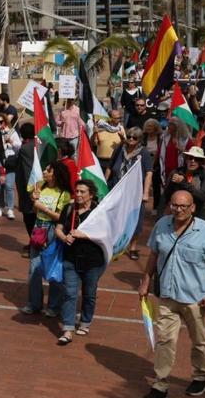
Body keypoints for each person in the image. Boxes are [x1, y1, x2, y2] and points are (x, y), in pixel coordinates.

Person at [138, 191, 205, 398]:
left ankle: (200, 376)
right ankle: (160, 384)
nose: (179, 209)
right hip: (167, 295)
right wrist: (146, 280)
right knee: (165, 340)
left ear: (193, 207)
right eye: (175, 205)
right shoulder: (162, 225)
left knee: (198, 341)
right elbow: (154, 255)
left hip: (195, 298)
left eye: (184, 206)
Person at [54, 179, 107, 345]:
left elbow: (106, 234)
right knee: (70, 293)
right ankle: (68, 329)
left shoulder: (99, 212)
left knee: (89, 293)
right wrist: (64, 237)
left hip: (93, 261)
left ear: (91, 194)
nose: (78, 195)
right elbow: (58, 228)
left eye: (82, 192)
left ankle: (85, 321)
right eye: (76, 191)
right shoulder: (69, 208)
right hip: (71, 259)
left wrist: (84, 235)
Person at [21, 161, 72, 317]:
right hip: (38, 228)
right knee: (34, 267)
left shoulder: (64, 193)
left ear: (55, 174)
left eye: (48, 170)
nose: (44, 171)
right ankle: (34, 303)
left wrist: (43, 207)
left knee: (53, 267)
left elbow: (60, 217)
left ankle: (54, 305)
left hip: (53, 230)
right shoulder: (40, 186)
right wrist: (34, 199)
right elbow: (35, 208)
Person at [107, 127, 153, 260]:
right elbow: (110, 166)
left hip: (135, 193)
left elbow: (149, 173)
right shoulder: (120, 149)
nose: (131, 139)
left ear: (139, 140)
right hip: (117, 188)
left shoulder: (143, 153)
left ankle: (132, 247)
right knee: (115, 218)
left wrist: (146, 193)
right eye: (129, 136)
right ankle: (115, 245)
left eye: (135, 138)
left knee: (135, 219)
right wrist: (104, 183)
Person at [163, 147, 205, 216]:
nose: (193, 161)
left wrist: (183, 182)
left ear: (201, 162)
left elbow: (202, 196)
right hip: (178, 211)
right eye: (190, 158)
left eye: (197, 159)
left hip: (197, 211)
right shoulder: (176, 172)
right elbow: (166, 195)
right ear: (186, 160)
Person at [0, 111, 20, 220]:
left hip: (10, 162)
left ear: (5, 122)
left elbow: (18, 146)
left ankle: (10, 208)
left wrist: (10, 140)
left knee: (9, 186)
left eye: (1, 122)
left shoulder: (11, 132)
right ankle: (0, 207)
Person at [93, 110, 125, 175]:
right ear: (110, 118)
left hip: (115, 161)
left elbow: (125, 145)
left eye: (120, 118)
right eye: (116, 118)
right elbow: (94, 144)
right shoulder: (99, 129)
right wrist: (94, 133)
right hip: (101, 162)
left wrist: (122, 138)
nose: (119, 120)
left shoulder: (121, 128)